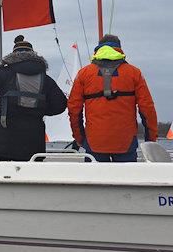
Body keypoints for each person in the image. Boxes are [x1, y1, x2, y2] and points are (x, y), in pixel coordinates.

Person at [67, 34, 157, 162]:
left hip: (94, 142)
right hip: (125, 143)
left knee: (95, 181)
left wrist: (80, 138)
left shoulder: (84, 73)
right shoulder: (134, 73)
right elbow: (147, 109)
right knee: (126, 181)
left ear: (98, 48)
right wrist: (151, 139)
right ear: (119, 49)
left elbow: (73, 109)